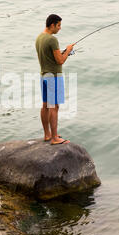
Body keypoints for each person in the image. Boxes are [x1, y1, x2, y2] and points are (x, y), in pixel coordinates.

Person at [35, 14, 75, 145]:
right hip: (54, 76)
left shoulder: (39, 38)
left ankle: (47, 134)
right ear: (52, 25)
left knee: (45, 105)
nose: (60, 28)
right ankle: (55, 138)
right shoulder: (52, 40)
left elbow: (49, 57)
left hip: (44, 75)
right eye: (58, 25)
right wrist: (68, 50)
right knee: (54, 106)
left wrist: (62, 52)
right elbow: (60, 60)